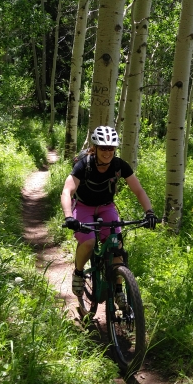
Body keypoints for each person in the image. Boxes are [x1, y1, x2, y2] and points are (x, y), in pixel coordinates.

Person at [61, 126, 157, 310]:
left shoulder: (119, 166)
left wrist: (149, 212)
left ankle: (119, 290)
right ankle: (79, 273)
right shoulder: (84, 165)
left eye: (111, 148)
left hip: (106, 207)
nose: (107, 152)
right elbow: (67, 190)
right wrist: (68, 217)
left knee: (116, 245)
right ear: (94, 148)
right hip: (83, 206)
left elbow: (138, 190)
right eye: (103, 148)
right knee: (88, 242)